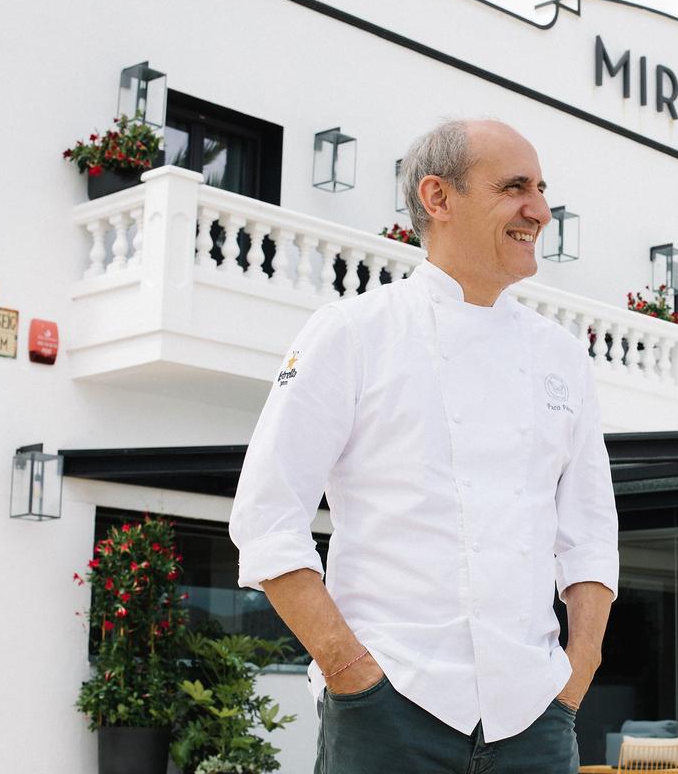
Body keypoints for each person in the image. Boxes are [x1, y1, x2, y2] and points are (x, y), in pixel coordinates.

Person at [228, 119, 620, 773]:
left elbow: (590, 535)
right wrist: (350, 670)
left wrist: (577, 675)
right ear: (438, 198)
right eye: (515, 188)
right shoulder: (353, 334)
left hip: (534, 719)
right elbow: (267, 521)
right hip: (392, 712)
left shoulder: (561, 356)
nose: (540, 211)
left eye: (542, 189)